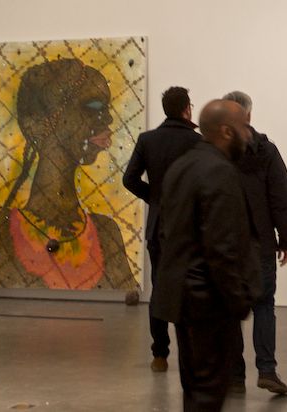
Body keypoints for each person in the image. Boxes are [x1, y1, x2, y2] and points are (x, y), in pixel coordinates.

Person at [0, 58, 138, 291]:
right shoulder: (3, 233)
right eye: (92, 106)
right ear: (39, 123)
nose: (108, 118)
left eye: (106, 109)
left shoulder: (106, 233)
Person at [152, 99, 262, 412]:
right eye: (244, 127)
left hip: (182, 297)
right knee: (208, 393)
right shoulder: (218, 171)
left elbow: (168, 231)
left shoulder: (182, 166)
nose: (249, 135)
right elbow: (221, 247)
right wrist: (238, 299)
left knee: (196, 388)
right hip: (208, 301)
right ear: (227, 131)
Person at [122, 86, 201, 372]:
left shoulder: (148, 140)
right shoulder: (197, 142)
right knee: (191, 289)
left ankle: (160, 354)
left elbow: (129, 179)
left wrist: (154, 197)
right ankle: (191, 353)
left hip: (159, 226)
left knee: (160, 288)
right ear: (186, 109)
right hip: (190, 228)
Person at [221, 91, 287, 395]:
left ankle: (234, 375)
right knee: (264, 305)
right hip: (260, 243)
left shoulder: (215, 151)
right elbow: (280, 198)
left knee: (229, 309)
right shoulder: (266, 151)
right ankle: (267, 370)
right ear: (249, 115)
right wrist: (286, 239)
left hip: (224, 245)